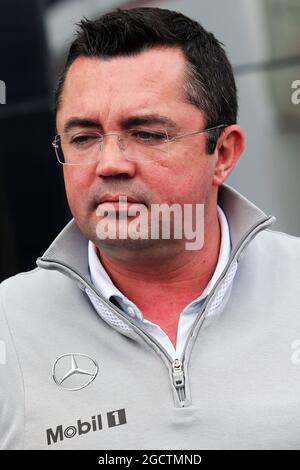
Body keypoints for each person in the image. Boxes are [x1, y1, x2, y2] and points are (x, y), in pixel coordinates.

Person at [1, 7, 299, 451]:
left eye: (147, 134)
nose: (110, 163)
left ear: (223, 153)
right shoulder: (8, 328)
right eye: (83, 138)